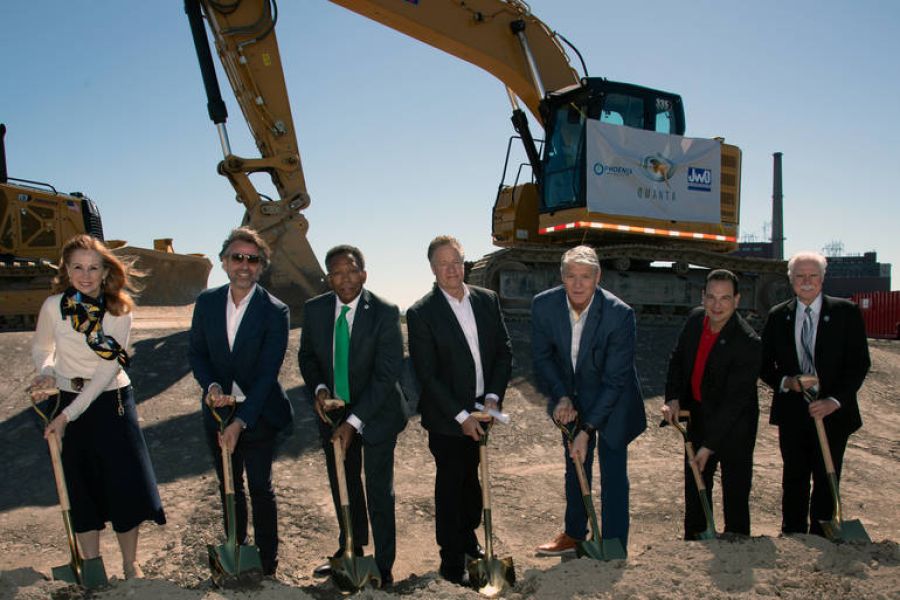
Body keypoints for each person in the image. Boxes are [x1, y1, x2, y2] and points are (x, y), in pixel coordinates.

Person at [30, 234, 165, 579]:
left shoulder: (119, 310)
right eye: (78, 267)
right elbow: (43, 348)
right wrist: (47, 373)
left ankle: (129, 564)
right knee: (79, 484)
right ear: (67, 270)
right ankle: (92, 565)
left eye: (93, 268)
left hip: (111, 402)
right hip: (66, 398)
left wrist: (66, 416)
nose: (86, 275)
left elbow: (107, 371)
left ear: (106, 271)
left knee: (122, 484)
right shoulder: (53, 306)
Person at [406, 235, 512, 585]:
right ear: (433, 269)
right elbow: (427, 374)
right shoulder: (421, 313)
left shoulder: (487, 300)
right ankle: (451, 562)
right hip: (447, 418)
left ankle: (469, 543)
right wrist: (462, 416)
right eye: (443, 263)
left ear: (465, 264)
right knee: (451, 486)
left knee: (471, 484)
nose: (451, 269)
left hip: (484, 409)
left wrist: (494, 396)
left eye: (456, 261)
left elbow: (503, 352)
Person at [298, 245, 406, 587]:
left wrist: (353, 422)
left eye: (350, 271)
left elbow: (386, 374)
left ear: (364, 273)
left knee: (377, 489)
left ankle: (384, 566)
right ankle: (351, 550)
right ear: (328, 278)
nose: (344, 279)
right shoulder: (315, 310)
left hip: (377, 412)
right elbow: (307, 357)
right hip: (332, 413)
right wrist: (319, 390)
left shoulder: (385, 312)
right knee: (343, 484)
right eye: (336, 273)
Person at [188, 227, 293, 577]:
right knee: (228, 485)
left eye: (252, 259)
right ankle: (235, 548)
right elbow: (197, 353)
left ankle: (266, 562)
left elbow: (267, 374)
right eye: (237, 257)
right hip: (218, 411)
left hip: (259, 412)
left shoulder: (275, 311)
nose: (244, 265)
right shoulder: (206, 303)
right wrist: (212, 384)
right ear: (224, 262)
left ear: (261, 266)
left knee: (260, 487)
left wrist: (240, 420)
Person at [532, 245, 646, 556]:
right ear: (562, 277)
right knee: (576, 465)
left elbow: (614, 380)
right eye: (571, 276)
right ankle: (574, 534)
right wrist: (561, 397)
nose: (578, 284)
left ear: (598, 277)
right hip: (573, 397)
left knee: (612, 471)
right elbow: (543, 359)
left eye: (586, 276)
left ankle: (613, 543)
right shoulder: (543, 306)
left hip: (614, 400)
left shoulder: (619, 314)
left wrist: (587, 429)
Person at [760, 251, 870, 536]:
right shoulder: (778, 316)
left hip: (833, 413)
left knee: (826, 476)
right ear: (791, 280)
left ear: (822, 279)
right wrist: (787, 382)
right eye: (800, 276)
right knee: (794, 477)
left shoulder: (846, 313)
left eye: (812, 276)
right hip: (793, 413)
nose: (806, 282)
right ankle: (793, 534)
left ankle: (823, 534)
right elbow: (764, 364)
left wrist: (834, 401)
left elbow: (859, 363)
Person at [662, 269, 761, 539]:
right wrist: (673, 399)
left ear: (737, 300)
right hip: (699, 417)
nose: (717, 306)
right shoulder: (696, 319)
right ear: (702, 296)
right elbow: (678, 359)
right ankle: (695, 539)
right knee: (696, 485)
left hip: (735, 426)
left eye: (725, 298)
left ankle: (737, 542)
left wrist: (709, 446)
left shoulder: (748, 342)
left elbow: (734, 403)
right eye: (711, 297)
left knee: (735, 489)